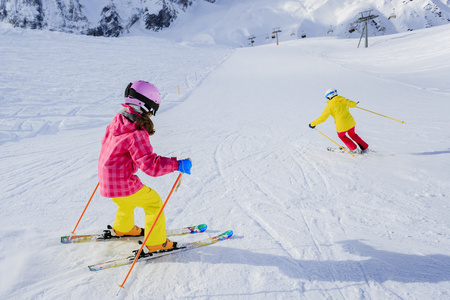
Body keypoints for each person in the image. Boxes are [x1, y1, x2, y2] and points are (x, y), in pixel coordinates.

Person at [98, 80, 192, 253]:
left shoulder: (117, 120)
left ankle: (123, 227)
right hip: (122, 181)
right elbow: (150, 165)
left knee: (125, 201)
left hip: (106, 180)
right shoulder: (136, 133)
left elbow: (106, 145)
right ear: (147, 106)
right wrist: (177, 164)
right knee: (154, 203)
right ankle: (156, 243)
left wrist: (107, 171)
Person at [309, 89, 369, 153]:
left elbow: (323, 118)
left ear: (329, 97)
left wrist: (312, 124)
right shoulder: (344, 100)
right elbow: (353, 104)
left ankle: (354, 149)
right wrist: (354, 103)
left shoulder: (330, 106)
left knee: (342, 136)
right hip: (351, 122)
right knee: (353, 135)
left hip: (341, 125)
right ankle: (364, 147)